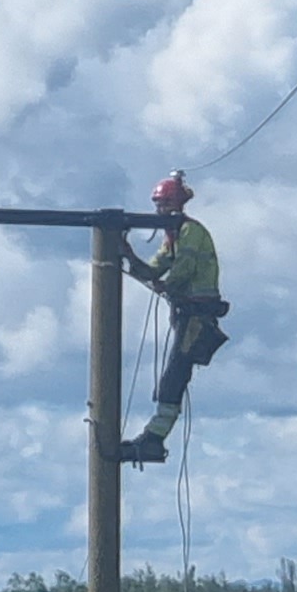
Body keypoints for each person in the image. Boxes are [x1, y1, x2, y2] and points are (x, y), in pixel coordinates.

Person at [114, 172, 227, 466]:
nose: (159, 210)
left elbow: (184, 267)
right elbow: (154, 270)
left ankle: (155, 438)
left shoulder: (190, 232)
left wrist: (168, 285)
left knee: (174, 378)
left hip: (198, 316)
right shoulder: (173, 237)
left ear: (176, 203)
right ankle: (153, 436)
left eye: (163, 204)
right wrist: (129, 256)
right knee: (172, 377)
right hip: (187, 315)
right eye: (158, 204)